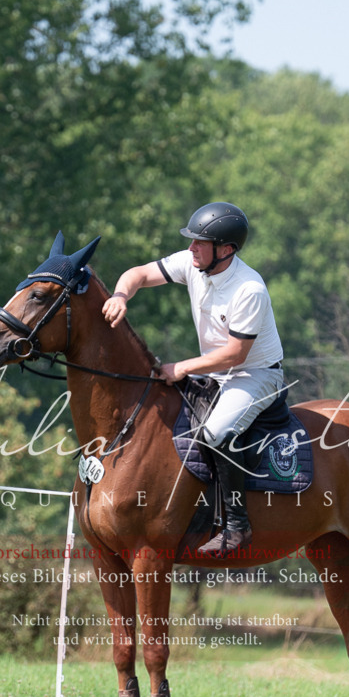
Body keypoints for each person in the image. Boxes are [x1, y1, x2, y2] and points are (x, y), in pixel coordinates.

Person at [102, 201, 284, 557]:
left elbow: (236, 354)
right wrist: (121, 295)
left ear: (226, 249)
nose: (191, 248)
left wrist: (182, 367)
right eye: (192, 241)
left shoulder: (250, 289)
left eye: (199, 242)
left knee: (216, 434)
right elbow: (137, 274)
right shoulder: (194, 263)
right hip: (214, 371)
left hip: (255, 375)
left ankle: (237, 525)